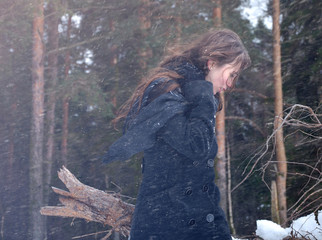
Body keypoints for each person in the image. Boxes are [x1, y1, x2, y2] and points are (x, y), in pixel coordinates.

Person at [102, 28, 251, 240]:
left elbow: (203, 182)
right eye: (232, 74)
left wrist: (219, 229)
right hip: (163, 229)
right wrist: (204, 94)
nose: (230, 84)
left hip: (199, 227)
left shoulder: (194, 95)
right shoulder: (165, 92)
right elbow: (195, 146)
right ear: (212, 63)